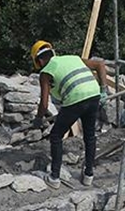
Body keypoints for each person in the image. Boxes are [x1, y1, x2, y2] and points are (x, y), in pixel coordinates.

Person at [30, 40, 112, 188]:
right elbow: (100, 65)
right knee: (90, 135)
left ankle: (54, 177)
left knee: (56, 136)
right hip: (93, 95)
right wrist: (103, 90)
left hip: (75, 100)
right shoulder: (73, 58)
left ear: (40, 60)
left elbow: (44, 103)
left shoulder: (45, 72)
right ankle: (88, 175)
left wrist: (38, 119)